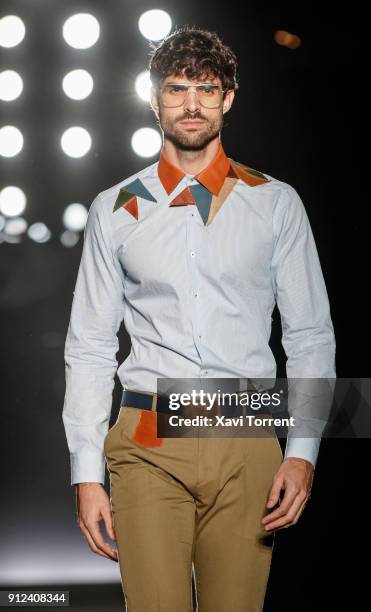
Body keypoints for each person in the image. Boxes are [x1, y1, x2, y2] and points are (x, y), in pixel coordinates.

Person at [62, 26, 336, 612]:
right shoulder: (114, 211)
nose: (191, 104)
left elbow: (310, 335)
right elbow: (89, 346)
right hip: (146, 443)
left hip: (247, 438)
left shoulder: (274, 204)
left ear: (228, 99)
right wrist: (86, 472)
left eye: (207, 89)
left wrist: (302, 450)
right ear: (154, 98)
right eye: (176, 88)